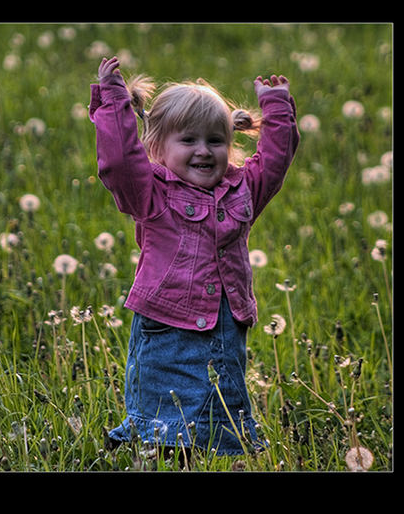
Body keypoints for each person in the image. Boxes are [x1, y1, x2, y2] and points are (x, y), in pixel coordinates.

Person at [89, 56, 299, 458]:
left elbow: (274, 163)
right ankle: (157, 455)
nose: (203, 151)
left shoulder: (243, 191)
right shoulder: (150, 194)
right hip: (166, 332)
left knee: (224, 413)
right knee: (162, 421)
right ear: (157, 147)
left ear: (229, 144)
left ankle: (223, 457)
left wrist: (277, 109)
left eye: (215, 141)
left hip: (224, 329)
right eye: (188, 140)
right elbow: (117, 161)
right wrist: (113, 99)